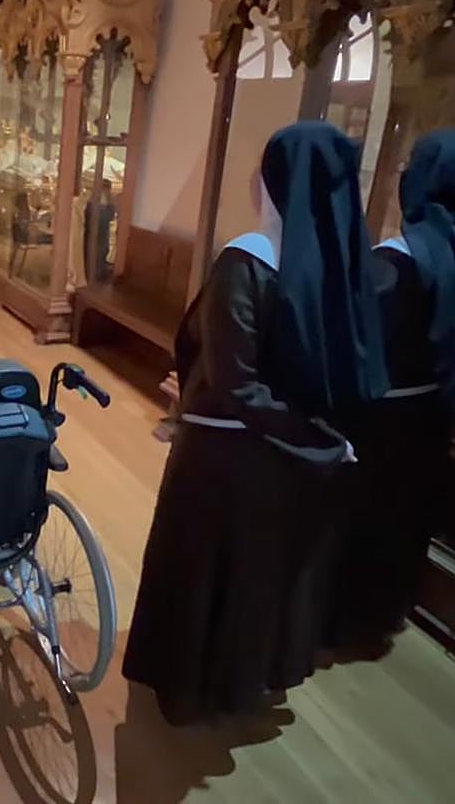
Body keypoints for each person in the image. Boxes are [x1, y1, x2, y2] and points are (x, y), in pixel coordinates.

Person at [122, 121, 388, 724]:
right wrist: (321, 441)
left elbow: (234, 380)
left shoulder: (249, 259)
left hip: (225, 453)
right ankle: (247, 685)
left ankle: (190, 692)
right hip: (295, 461)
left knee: (207, 574)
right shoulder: (347, 265)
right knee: (261, 579)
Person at [326, 130, 455, 651]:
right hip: (435, 417)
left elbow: (357, 341)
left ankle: (342, 624)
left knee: (364, 520)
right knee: (406, 520)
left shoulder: (396, 262)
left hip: (381, 417)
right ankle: (381, 618)